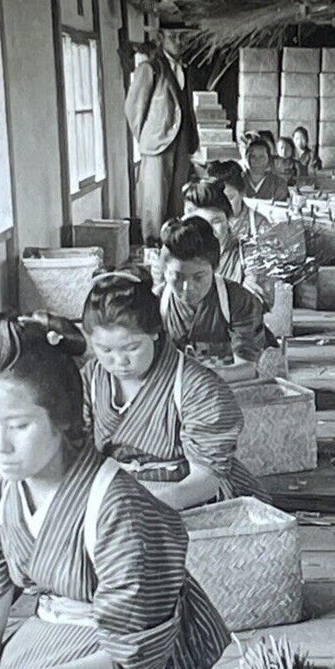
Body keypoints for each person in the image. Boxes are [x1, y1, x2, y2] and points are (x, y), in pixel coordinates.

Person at [0, 312, 231, 669]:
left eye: (18, 425)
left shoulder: (118, 506)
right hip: (41, 650)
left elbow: (128, 658)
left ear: (61, 420)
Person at [80, 270, 264, 508]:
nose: (119, 361)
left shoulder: (198, 387)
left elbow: (207, 478)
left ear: (155, 333)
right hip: (114, 494)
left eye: (131, 348)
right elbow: (76, 454)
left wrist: (147, 506)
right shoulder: (91, 378)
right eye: (105, 350)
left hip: (188, 497)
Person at [157, 215, 271, 364]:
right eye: (177, 277)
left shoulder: (239, 301)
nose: (187, 287)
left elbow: (247, 367)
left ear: (215, 268)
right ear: (164, 270)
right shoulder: (155, 303)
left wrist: (200, 378)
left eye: (199, 277)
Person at [124, 41, 185, 245]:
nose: (179, 40)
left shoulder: (184, 67)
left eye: (183, 35)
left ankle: (174, 249)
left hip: (182, 143)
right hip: (157, 146)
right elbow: (134, 109)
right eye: (173, 35)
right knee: (155, 205)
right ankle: (152, 251)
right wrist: (148, 138)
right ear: (161, 37)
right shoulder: (149, 68)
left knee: (177, 202)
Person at [181, 179, 260, 293]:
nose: (210, 230)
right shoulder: (179, 252)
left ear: (228, 221)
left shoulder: (248, 254)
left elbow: (252, 301)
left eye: (216, 221)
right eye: (202, 222)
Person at [242, 132, 288, 201]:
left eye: (261, 157)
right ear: (246, 158)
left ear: (269, 159)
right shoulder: (237, 181)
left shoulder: (279, 184)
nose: (257, 160)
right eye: (253, 156)